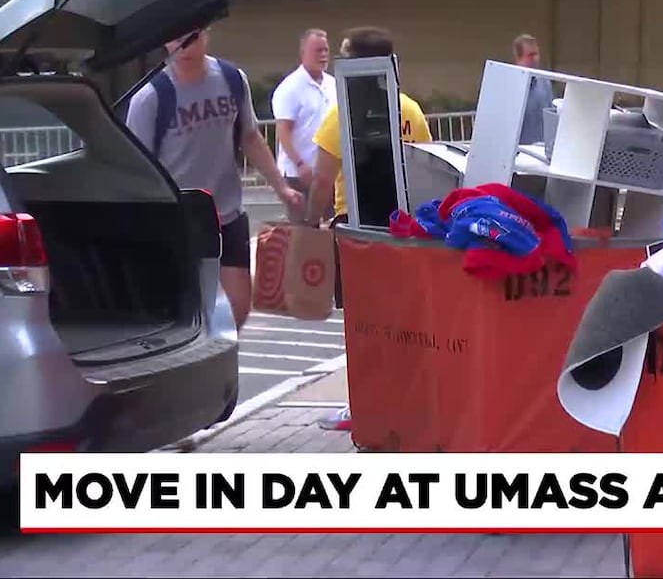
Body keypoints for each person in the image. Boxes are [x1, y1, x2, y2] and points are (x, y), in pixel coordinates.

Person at [126, 27, 302, 331]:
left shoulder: (232, 79)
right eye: (171, 35)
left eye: (188, 33)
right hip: (178, 216)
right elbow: (136, 166)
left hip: (226, 211)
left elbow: (250, 137)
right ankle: (193, 362)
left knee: (238, 305)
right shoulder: (151, 97)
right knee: (182, 309)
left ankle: (213, 356)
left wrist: (282, 187)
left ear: (205, 32)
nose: (180, 42)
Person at [305, 27, 434, 431]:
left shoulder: (342, 113)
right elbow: (424, 170)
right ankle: (406, 400)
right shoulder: (409, 109)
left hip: (356, 230)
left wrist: (311, 223)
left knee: (362, 323)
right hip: (401, 230)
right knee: (401, 322)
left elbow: (322, 180)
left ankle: (364, 405)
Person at [272, 28, 338, 221]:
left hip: (327, 174)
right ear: (303, 53)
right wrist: (300, 164)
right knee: (303, 230)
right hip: (298, 174)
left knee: (330, 227)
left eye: (326, 50)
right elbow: (283, 132)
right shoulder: (290, 88)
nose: (324, 55)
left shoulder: (334, 84)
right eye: (318, 50)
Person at [513, 34, 554, 145]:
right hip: (518, 152)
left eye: (537, 54)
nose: (535, 59)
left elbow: (551, 118)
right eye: (531, 55)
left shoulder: (545, 83)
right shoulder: (510, 87)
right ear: (519, 57)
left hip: (540, 151)